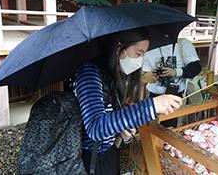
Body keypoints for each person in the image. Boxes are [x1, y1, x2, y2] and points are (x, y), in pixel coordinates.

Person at [72, 28, 182, 175]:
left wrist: (121, 134)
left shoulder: (113, 73)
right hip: (89, 157)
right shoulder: (89, 73)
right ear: (119, 47)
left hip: (110, 152)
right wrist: (151, 106)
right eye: (139, 53)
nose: (141, 60)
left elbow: (112, 116)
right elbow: (95, 127)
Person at [142, 38, 201, 127]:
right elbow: (144, 76)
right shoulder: (148, 47)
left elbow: (196, 68)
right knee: (152, 128)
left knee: (170, 128)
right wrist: (151, 76)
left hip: (174, 95)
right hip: (154, 96)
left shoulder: (182, 44)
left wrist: (176, 72)